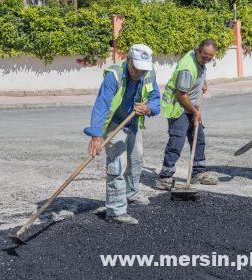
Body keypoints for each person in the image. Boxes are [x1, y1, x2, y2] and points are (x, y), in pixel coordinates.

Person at [84, 44, 161, 224]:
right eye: (136, 68)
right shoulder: (114, 75)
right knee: (117, 164)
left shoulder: (148, 73)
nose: (139, 73)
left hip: (133, 122)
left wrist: (148, 108)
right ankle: (116, 210)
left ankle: (131, 193)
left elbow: (156, 99)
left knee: (136, 159)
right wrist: (96, 135)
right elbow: (102, 105)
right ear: (128, 60)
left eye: (143, 69)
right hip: (114, 123)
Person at [158, 39, 219, 189]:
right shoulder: (187, 68)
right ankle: (165, 177)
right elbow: (181, 95)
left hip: (191, 105)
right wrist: (195, 111)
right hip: (178, 107)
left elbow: (200, 70)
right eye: (204, 56)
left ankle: (198, 173)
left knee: (198, 138)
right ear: (198, 50)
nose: (206, 59)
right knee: (176, 142)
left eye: (210, 58)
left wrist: (202, 82)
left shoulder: (199, 60)